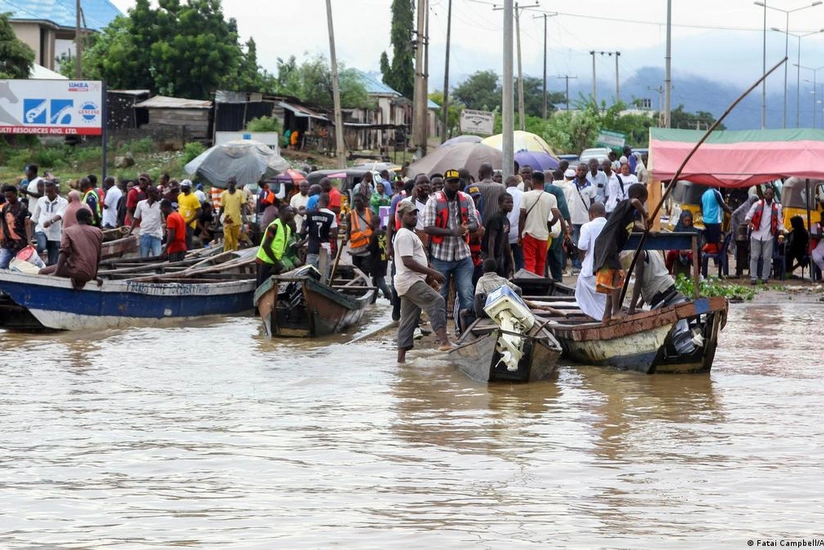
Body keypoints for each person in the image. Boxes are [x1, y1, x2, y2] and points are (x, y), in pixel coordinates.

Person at [422, 168, 480, 334]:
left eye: (456, 181)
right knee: (441, 296)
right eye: (451, 182)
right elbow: (428, 227)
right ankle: (441, 334)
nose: (454, 185)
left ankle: (465, 332)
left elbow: (475, 223)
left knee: (467, 294)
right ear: (445, 183)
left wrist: (466, 227)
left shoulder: (466, 198)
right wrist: (451, 231)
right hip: (440, 256)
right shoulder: (434, 200)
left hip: (463, 255)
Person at [394, 201, 453, 363]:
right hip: (410, 280)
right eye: (409, 214)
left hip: (407, 282)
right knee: (437, 300)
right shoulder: (404, 234)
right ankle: (444, 341)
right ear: (401, 217)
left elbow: (417, 258)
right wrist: (432, 272)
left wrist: (429, 271)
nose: (414, 216)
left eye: (415, 213)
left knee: (408, 321)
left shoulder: (409, 234)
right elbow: (408, 261)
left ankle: (401, 361)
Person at [593, 183, 650, 323]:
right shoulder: (625, 204)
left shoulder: (628, 215)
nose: (642, 203)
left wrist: (646, 231)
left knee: (611, 282)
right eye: (644, 200)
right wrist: (645, 215)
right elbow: (635, 202)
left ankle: (607, 315)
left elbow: (632, 226)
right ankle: (616, 312)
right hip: (607, 246)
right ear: (638, 197)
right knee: (618, 278)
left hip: (606, 247)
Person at [39, 208, 102, 289]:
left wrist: (56, 272)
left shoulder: (68, 231)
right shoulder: (98, 232)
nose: (92, 219)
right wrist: (94, 276)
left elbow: (64, 252)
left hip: (76, 271)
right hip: (90, 273)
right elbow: (98, 256)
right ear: (87, 217)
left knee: (42, 272)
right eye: (91, 217)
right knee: (67, 268)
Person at [519, 170, 565, 276]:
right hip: (544, 236)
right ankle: (539, 285)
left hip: (529, 234)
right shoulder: (551, 197)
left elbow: (521, 216)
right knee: (541, 263)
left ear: (533, 181)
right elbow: (556, 215)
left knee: (530, 262)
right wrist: (549, 224)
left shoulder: (525, 196)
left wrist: (519, 235)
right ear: (543, 182)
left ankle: (531, 284)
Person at [745, 186, 785, 284]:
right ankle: (753, 278)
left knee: (767, 258)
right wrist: (751, 224)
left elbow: (780, 223)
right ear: (764, 195)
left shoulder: (777, 207)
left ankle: (764, 278)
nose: (768, 196)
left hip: (769, 236)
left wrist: (781, 235)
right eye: (767, 194)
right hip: (756, 235)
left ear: (773, 195)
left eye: (771, 194)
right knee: (754, 257)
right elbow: (747, 217)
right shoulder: (757, 204)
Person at [575, 202, 608, 321]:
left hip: (590, 272)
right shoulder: (610, 225)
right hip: (607, 271)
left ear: (591, 214)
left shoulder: (587, 226)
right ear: (604, 213)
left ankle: (590, 318)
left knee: (582, 291)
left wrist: (583, 260)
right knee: (604, 298)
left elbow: (582, 246)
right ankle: (604, 318)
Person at [566, 163, 597, 272]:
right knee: (574, 243)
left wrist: (592, 217)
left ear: (587, 172)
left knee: (584, 242)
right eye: (579, 170)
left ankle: (585, 263)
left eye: (583, 170)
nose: (580, 172)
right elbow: (566, 201)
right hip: (573, 219)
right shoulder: (569, 185)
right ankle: (576, 265)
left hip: (585, 219)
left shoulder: (591, 187)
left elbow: (593, 203)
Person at [541, 171, 572, 281]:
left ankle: (544, 276)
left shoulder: (534, 190)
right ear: (552, 178)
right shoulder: (556, 190)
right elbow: (562, 209)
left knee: (541, 255)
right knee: (555, 253)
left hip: (539, 227)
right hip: (554, 227)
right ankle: (557, 279)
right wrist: (569, 225)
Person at [256, 205, 296, 287]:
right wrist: (277, 262)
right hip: (265, 262)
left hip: (274, 263)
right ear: (282, 213)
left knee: (273, 288)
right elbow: (265, 246)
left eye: (292, 211)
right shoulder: (274, 227)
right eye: (289, 211)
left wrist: (277, 262)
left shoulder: (287, 228)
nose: (292, 213)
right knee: (262, 288)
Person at [31, 180, 67, 266]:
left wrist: (51, 221)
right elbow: (34, 217)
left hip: (55, 233)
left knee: (53, 261)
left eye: (50, 191)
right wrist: (30, 235)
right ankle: (33, 258)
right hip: (41, 229)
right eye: (46, 192)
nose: (48, 194)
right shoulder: (41, 200)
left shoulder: (63, 202)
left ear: (55, 189)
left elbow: (60, 214)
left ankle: (50, 275)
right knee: (41, 246)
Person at [302, 193, 337, 277]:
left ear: (318, 201)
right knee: (323, 276)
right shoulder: (331, 215)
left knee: (309, 275)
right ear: (328, 202)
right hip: (325, 248)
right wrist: (324, 233)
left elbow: (302, 232)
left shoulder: (309, 213)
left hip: (312, 248)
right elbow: (334, 235)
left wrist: (310, 232)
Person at [481, 192, 514, 277]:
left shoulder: (506, 220)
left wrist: (510, 261)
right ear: (500, 203)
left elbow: (506, 241)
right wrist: (491, 260)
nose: (510, 204)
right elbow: (491, 240)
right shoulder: (496, 218)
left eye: (511, 202)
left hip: (499, 255)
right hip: (489, 254)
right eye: (507, 202)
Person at [0, 185, 33, 269]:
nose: (9, 199)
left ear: (16, 194)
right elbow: (3, 221)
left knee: (19, 267)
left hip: (20, 243)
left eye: (10, 196)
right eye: (7, 197)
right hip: (8, 243)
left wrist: (29, 240)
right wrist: (3, 234)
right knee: (2, 264)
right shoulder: (5, 207)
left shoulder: (23, 207)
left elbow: (27, 224)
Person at [131, 187, 163, 258]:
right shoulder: (141, 204)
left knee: (158, 258)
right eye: (157, 193)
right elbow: (135, 218)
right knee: (144, 258)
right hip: (144, 235)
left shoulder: (160, 204)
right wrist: (130, 231)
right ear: (150, 194)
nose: (158, 195)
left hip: (156, 235)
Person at [366, 216, 392, 303]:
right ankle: (373, 300)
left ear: (374, 223)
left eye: (370, 222)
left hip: (376, 261)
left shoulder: (373, 234)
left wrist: (356, 253)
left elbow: (371, 248)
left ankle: (391, 298)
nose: (369, 224)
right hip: (383, 259)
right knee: (375, 281)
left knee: (380, 281)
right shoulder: (384, 233)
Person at [346, 194, 374, 274]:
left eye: (359, 201)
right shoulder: (350, 215)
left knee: (365, 272)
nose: (357, 203)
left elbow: (375, 229)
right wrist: (345, 240)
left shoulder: (370, 213)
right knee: (357, 272)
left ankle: (365, 286)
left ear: (364, 202)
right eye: (355, 201)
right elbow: (348, 230)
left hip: (367, 249)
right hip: (355, 249)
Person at [701, 186, 731, 253]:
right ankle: (716, 261)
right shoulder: (717, 193)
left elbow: (701, 206)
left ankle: (707, 257)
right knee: (716, 243)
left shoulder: (704, 194)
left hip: (705, 221)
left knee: (709, 242)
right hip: (715, 222)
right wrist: (732, 212)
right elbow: (722, 205)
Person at [220, 178, 247, 252]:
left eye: (232, 183)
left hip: (236, 220)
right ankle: (226, 253)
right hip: (227, 220)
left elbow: (243, 205)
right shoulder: (224, 194)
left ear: (235, 184)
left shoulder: (240, 193)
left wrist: (244, 216)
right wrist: (218, 219)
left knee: (235, 239)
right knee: (227, 238)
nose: (230, 184)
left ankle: (233, 253)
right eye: (229, 183)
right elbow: (221, 207)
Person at [504, 175, 524, 272]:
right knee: (520, 261)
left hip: (504, 234)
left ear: (506, 184)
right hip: (518, 234)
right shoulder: (523, 195)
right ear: (517, 183)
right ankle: (521, 283)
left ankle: (506, 282)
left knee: (505, 261)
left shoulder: (503, 194)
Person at [177, 180, 202, 250]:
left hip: (189, 224)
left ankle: (189, 256)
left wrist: (189, 222)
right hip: (181, 223)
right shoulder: (180, 196)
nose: (181, 187)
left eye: (182, 186)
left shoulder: (193, 198)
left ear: (187, 187)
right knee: (180, 241)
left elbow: (199, 211)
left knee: (187, 242)